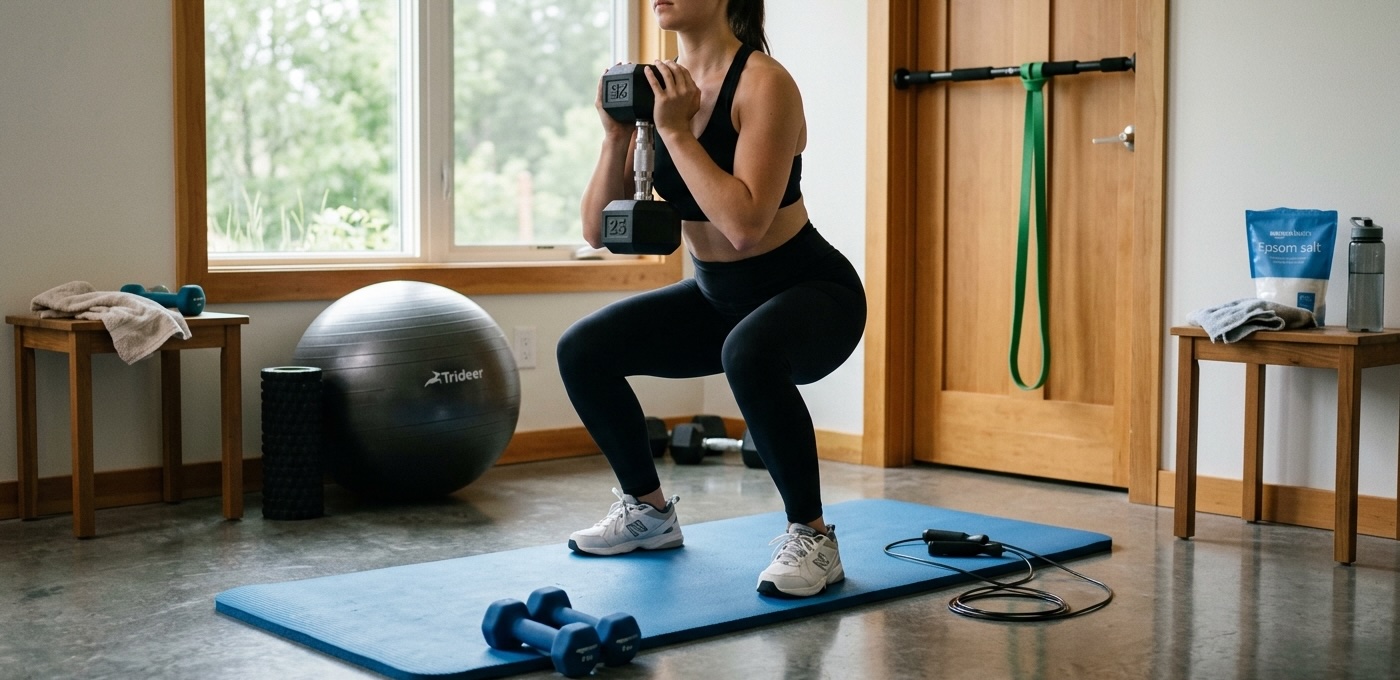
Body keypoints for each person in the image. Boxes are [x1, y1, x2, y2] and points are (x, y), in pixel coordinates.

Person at [557, 0, 866, 598]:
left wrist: (674, 130)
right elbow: (597, 231)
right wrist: (618, 133)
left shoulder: (764, 83)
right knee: (583, 349)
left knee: (747, 352)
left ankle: (814, 536)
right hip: (716, 297)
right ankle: (648, 514)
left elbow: (745, 224)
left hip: (812, 294)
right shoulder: (659, 89)